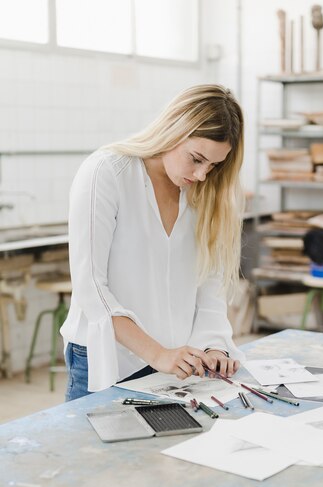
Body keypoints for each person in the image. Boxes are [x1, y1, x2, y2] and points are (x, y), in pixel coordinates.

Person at [61, 84, 245, 401]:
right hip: (109, 359)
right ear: (173, 131)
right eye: (197, 159)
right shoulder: (107, 172)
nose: (202, 175)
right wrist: (158, 353)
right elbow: (91, 287)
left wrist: (213, 345)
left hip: (176, 367)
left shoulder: (204, 193)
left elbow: (210, 285)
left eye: (213, 165)